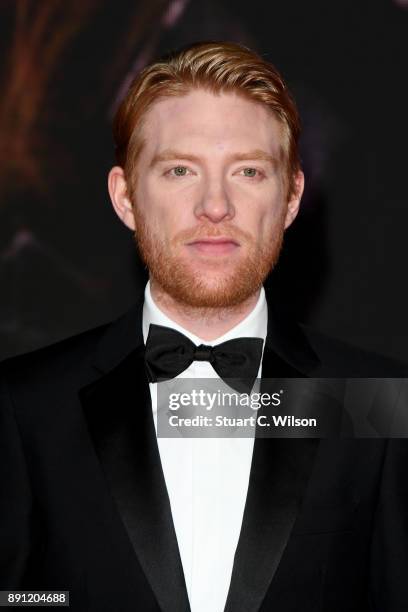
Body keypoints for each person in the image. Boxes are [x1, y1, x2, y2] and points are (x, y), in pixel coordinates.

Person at [1, 41, 407, 612]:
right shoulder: (24, 408)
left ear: (290, 198)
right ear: (126, 198)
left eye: (247, 170)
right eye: (180, 170)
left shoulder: (377, 404)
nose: (215, 205)